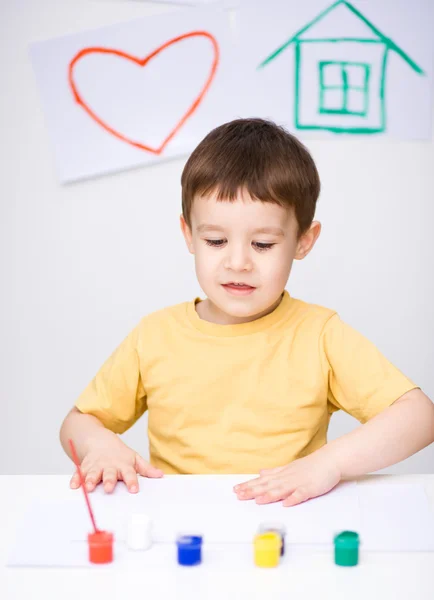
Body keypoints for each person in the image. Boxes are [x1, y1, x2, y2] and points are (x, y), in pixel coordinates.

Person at [60, 118, 434, 507]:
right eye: (216, 240)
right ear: (189, 235)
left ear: (303, 241)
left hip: (286, 524)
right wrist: (100, 446)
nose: (238, 262)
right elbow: (77, 422)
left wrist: (330, 463)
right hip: (182, 529)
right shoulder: (154, 334)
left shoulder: (319, 334)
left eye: (263, 244)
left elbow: (419, 417)